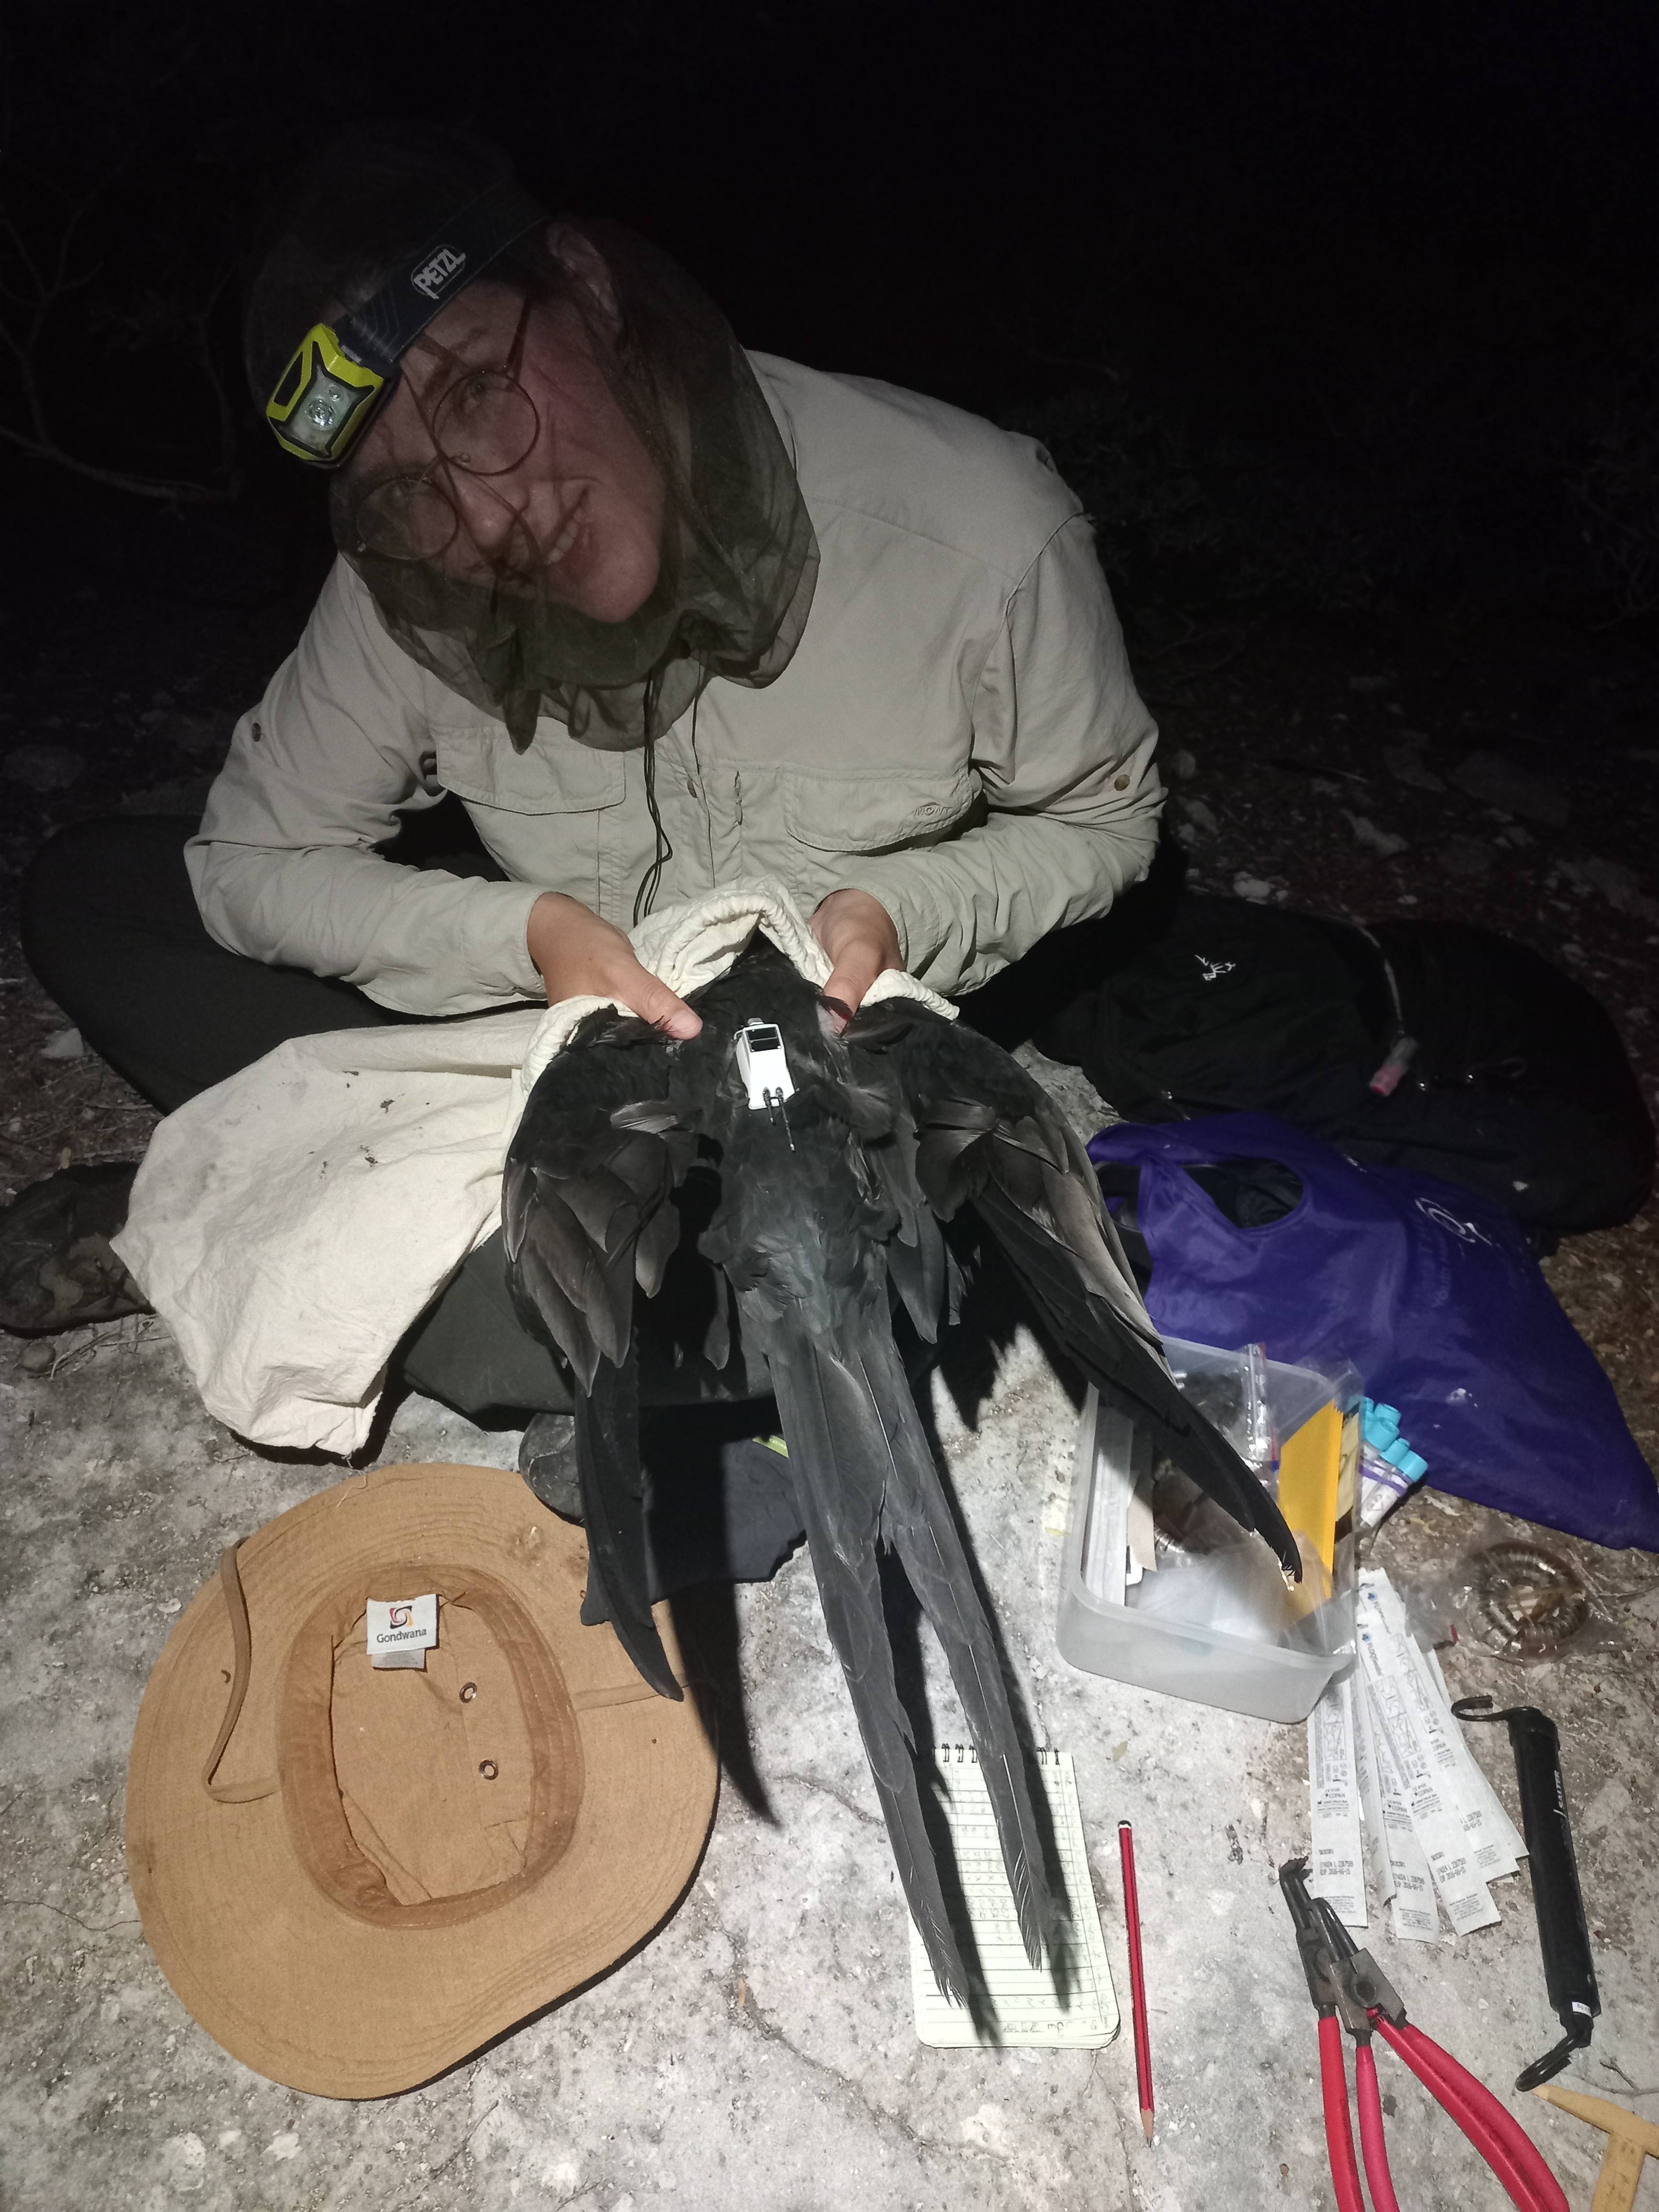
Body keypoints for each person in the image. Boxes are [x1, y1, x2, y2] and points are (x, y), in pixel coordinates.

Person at [7, 125, 1164, 1449]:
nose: (484, 519)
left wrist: (895, 909)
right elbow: (251, 863)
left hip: (814, 1071)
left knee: (557, 1326)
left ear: (589, 292)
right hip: (546, 1032)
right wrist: (527, 936)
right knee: (100, 893)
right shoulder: (411, 576)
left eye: (476, 393)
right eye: (405, 486)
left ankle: (290, 1207)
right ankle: (332, 1206)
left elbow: (1105, 817)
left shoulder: (977, 523)